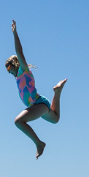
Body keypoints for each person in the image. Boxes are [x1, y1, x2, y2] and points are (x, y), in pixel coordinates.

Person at [6, 20, 67, 159]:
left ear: (15, 64)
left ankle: (39, 144)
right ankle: (57, 92)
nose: (11, 74)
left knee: (18, 122)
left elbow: (19, 51)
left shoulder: (23, 70)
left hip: (38, 104)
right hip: (39, 104)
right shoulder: (18, 78)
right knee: (56, 119)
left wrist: (15, 34)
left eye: (10, 70)